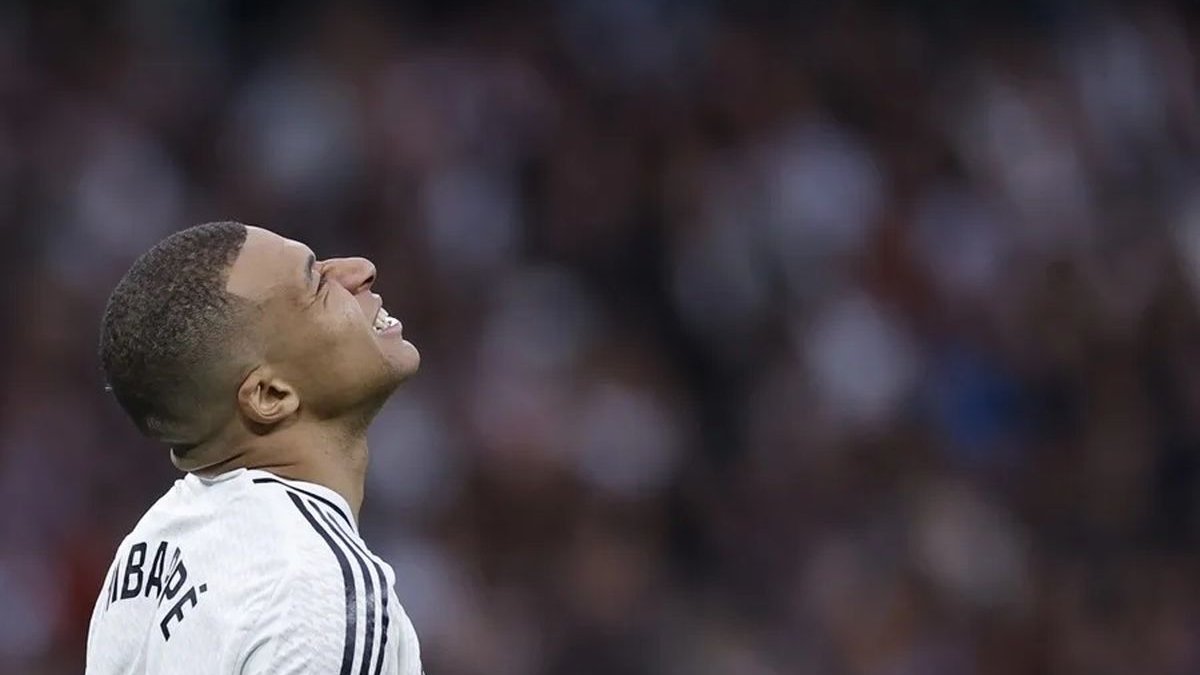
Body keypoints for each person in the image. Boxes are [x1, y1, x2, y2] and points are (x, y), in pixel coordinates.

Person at [85, 222, 424, 674]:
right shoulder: (316, 588)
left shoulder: (144, 553)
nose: (360, 270)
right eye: (317, 285)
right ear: (270, 395)